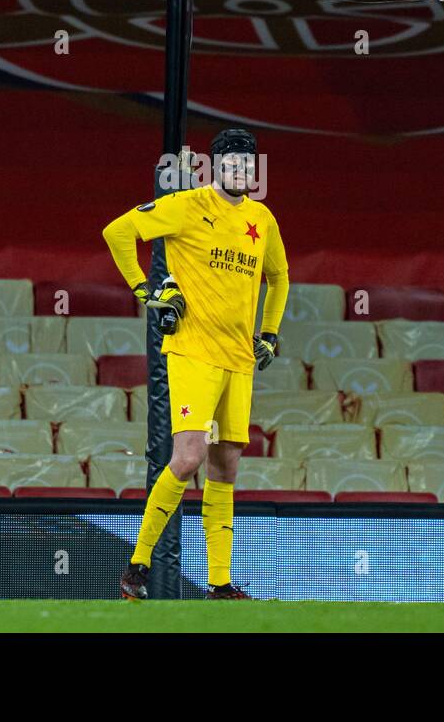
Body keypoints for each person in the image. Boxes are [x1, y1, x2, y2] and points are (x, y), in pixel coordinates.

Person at [101, 127, 289, 599]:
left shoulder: (261, 218)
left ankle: (220, 583)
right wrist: (144, 290)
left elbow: (280, 276)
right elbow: (118, 231)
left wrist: (268, 333)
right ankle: (138, 564)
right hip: (192, 351)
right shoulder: (187, 205)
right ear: (216, 166)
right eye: (232, 163)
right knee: (188, 457)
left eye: (248, 164)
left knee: (227, 466)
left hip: (238, 359)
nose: (241, 171)